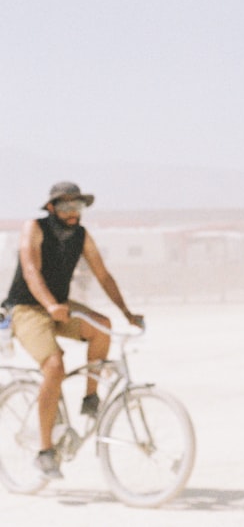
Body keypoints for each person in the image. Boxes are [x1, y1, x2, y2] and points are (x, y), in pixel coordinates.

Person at [2, 181, 143, 479]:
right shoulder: (34, 227)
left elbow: (103, 275)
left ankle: (90, 398)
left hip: (60, 306)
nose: (72, 213)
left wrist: (126, 312)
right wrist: (50, 305)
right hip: (27, 308)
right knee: (55, 367)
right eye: (66, 206)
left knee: (102, 327)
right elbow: (30, 271)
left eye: (77, 207)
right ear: (51, 207)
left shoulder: (81, 236)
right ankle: (44, 451)